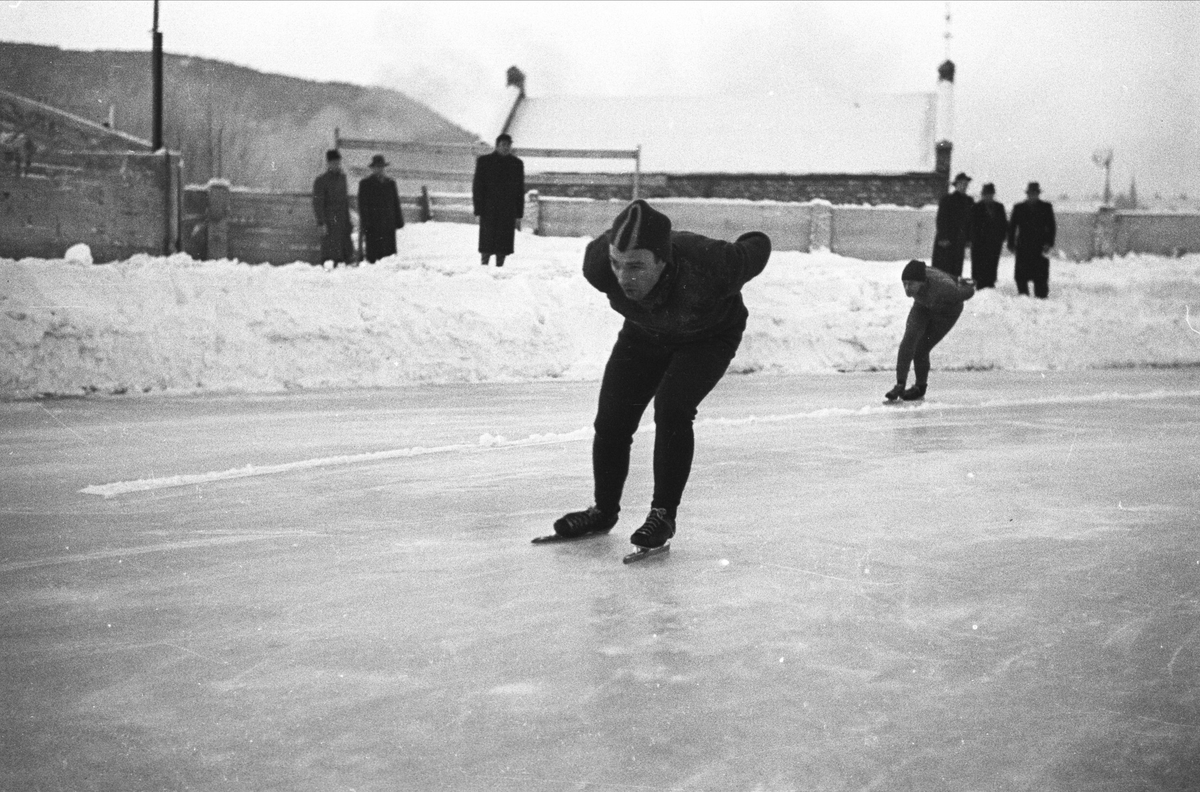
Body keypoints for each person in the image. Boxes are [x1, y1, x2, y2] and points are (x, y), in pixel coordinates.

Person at [551, 200, 771, 551]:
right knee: (612, 420)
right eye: (617, 264)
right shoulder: (597, 266)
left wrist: (748, 234)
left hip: (709, 336)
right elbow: (615, 263)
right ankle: (603, 510)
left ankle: (663, 515)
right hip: (644, 333)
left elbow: (758, 243)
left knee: (672, 409)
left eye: (636, 266)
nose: (624, 278)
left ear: (662, 259)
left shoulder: (713, 265)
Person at [885, 259, 974, 403]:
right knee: (909, 339)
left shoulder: (945, 289)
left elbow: (967, 292)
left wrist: (966, 286)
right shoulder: (922, 274)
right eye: (904, 284)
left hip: (947, 312)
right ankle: (899, 385)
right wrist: (956, 277)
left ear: (922, 282)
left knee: (921, 349)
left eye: (911, 284)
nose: (907, 289)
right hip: (922, 305)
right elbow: (933, 270)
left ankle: (920, 387)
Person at [472, 133, 525, 267]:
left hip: (508, 208)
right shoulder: (484, 162)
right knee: (487, 238)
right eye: (502, 145)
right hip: (488, 207)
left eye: (508, 145)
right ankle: (484, 264)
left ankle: (500, 266)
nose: (505, 148)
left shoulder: (516, 164)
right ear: (496, 146)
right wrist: (478, 209)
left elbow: (520, 189)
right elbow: (478, 186)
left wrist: (519, 213)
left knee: (503, 239)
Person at [1007, 181, 1057, 298]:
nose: (1032, 196)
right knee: (1021, 274)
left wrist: (1049, 243)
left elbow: (1051, 226)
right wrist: (1011, 243)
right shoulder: (1018, 208)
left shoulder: (1046, 207)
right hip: (1023, 245)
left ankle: (1041, 296)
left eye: (1035, 193)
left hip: (1039, 246)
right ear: (1027, 194)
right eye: (1030, 193)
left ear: (1038, 194)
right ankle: (1023, 295)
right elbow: (1012, 227)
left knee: (1041, 274)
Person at [357, 154, 404, 263]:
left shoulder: (391, 183)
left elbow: (395, 203)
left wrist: (399, 221)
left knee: (389, 257)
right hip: (373, 225)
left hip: (388, 224)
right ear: (372, 168)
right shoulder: (365, 184)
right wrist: (366, 223)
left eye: (382, 167)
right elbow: (362, 206)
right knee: (374, 257)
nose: (380, 169)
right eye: (377, 167)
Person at [312, 149, 354, 267]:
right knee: (330, 255)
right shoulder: (321, 181)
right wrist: (321, 222)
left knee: (346, 256)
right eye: (334, 163)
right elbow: (317, 203)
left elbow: (345, 201)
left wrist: (348, 221)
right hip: (329, 222)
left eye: (338, 162)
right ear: (328, 164)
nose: (336, 165)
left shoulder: (342, 179)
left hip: (342, 221)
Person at [932, 172, 974, 277]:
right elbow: (941, 219)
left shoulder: (969, 201)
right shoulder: (947, 199)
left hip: (960, 240)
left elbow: (970, 222)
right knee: (943, 267)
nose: (964, 186)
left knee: (956, 267)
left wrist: (969, 239)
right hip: (946, 240)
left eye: (966, 184)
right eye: (961, 183)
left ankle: (954, 289)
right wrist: (943, 237)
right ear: (956, 185)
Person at [970, 183, 1008, 289]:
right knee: (979, 265)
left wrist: (1002, 237)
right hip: (980, 243)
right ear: (982, 195)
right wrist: (974, 240)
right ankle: (979, 285)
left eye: (990, 194)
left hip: (995, 243)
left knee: (992, 264)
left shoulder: (999, 207)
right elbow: (972, 225)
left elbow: (1003, 223)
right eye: (986, 194)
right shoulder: (976, 207)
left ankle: (990, 284)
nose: (988, 196)